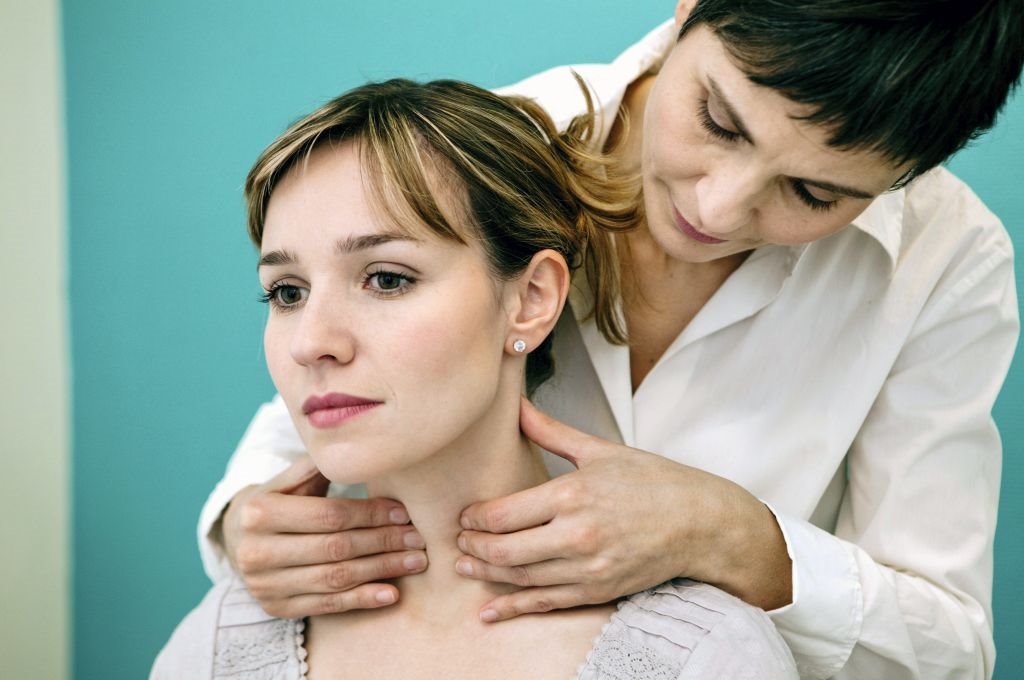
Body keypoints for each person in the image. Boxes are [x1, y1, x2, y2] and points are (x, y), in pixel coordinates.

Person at [199, 2, 1023, 678]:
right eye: (719, 121)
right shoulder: (473, 159)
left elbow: (949, 651)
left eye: (812, 193)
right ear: (689, 11)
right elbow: (323, 397)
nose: (718, 208)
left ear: (906, 174)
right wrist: (245, 525)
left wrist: (731, 535)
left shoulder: (945, 259)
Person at [152, 77, 799, 679]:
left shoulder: (706, 656)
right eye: (287, 292)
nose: (311, 343)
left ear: (530, 300)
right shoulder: (213, 647)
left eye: (387, 279)